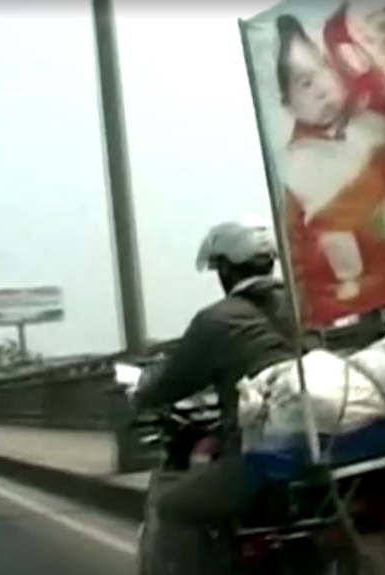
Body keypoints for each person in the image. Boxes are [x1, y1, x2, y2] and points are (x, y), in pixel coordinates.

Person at [129, 218, 316, 528]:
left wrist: (140, 392)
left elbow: (171, 380)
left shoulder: (216, 320)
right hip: (321, 440)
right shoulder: (304, 307)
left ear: (227, 270)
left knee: (171, 505)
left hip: (256, 454)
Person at [275, 14, 385, 327]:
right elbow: (295, 245)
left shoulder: (374, 130)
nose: (322, 88)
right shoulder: (299, 170)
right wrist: (305, 309)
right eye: (305, 82)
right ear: (288, 105)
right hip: (352, 302)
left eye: (326, 68)